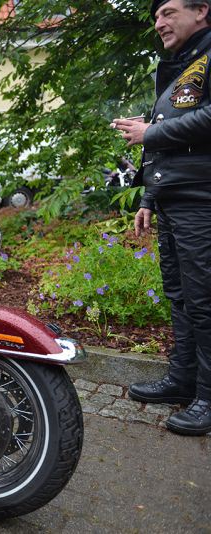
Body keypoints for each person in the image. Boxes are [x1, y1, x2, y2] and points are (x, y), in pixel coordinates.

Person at [113, 0, 211, 436]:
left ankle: (208, 398)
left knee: (205, 301)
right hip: (175, 198)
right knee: (180, 294)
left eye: (168, 11)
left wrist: (150, 132)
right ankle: (183, 379)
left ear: (202, 10)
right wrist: (149, 198)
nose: (159, 21)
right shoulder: (182, 64)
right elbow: (175, 144)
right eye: (156, 15)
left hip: (202, 201)